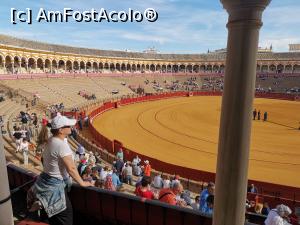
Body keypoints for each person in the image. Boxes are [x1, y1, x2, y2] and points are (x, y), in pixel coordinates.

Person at [27, 114, 93, 225]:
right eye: (68, 126)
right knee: (65, 219)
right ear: (61, 130)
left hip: (45, 182)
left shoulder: (50, 140)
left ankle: (41, 204)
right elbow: (71, 168)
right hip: (55, 186)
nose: (71, 127)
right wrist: (82, 183)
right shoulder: (61, 145)